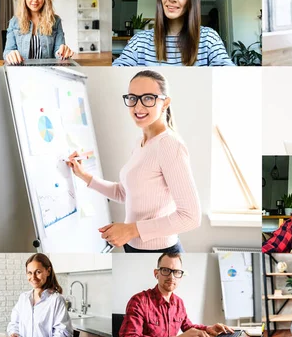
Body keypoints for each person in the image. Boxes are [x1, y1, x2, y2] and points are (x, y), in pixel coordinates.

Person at [67, 70, 201, 253]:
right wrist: (85, 176)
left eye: (148, 98)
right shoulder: (141, 142)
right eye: (132, 98)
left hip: (160, 252)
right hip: (133, 247)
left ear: (165, 103)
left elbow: (190, 217)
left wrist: (131, 229)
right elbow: (123, 192)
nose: (138, 107)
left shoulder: (169, 145)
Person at [113, 0, 234, 66]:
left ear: (190, 1)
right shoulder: (140, 40)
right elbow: (116, 72)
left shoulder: (209, 37)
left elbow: (227, 75)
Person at [119, 253, 233, 337]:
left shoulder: (179, 303)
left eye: (176, 272)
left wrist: (208, 328)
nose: (171, 277)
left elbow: (187, 327)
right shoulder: (139, 301)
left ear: (181, 276)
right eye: (165, 270)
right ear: (156, 273)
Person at [3, 0, 74, 65]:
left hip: (48, 73)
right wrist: (10, 54)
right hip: (22, 75)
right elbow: (7, 51)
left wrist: (62, 52)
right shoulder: (14, 22)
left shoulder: (55, 21)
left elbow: (58, 51)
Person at [7, 253, 73, 337]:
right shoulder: (23, 298)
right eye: (29, 273)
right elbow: (14, 324)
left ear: (48, 271)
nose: (33, 277)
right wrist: (14, 335)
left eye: (38, 272)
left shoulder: (56, 300)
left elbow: (62, 336)